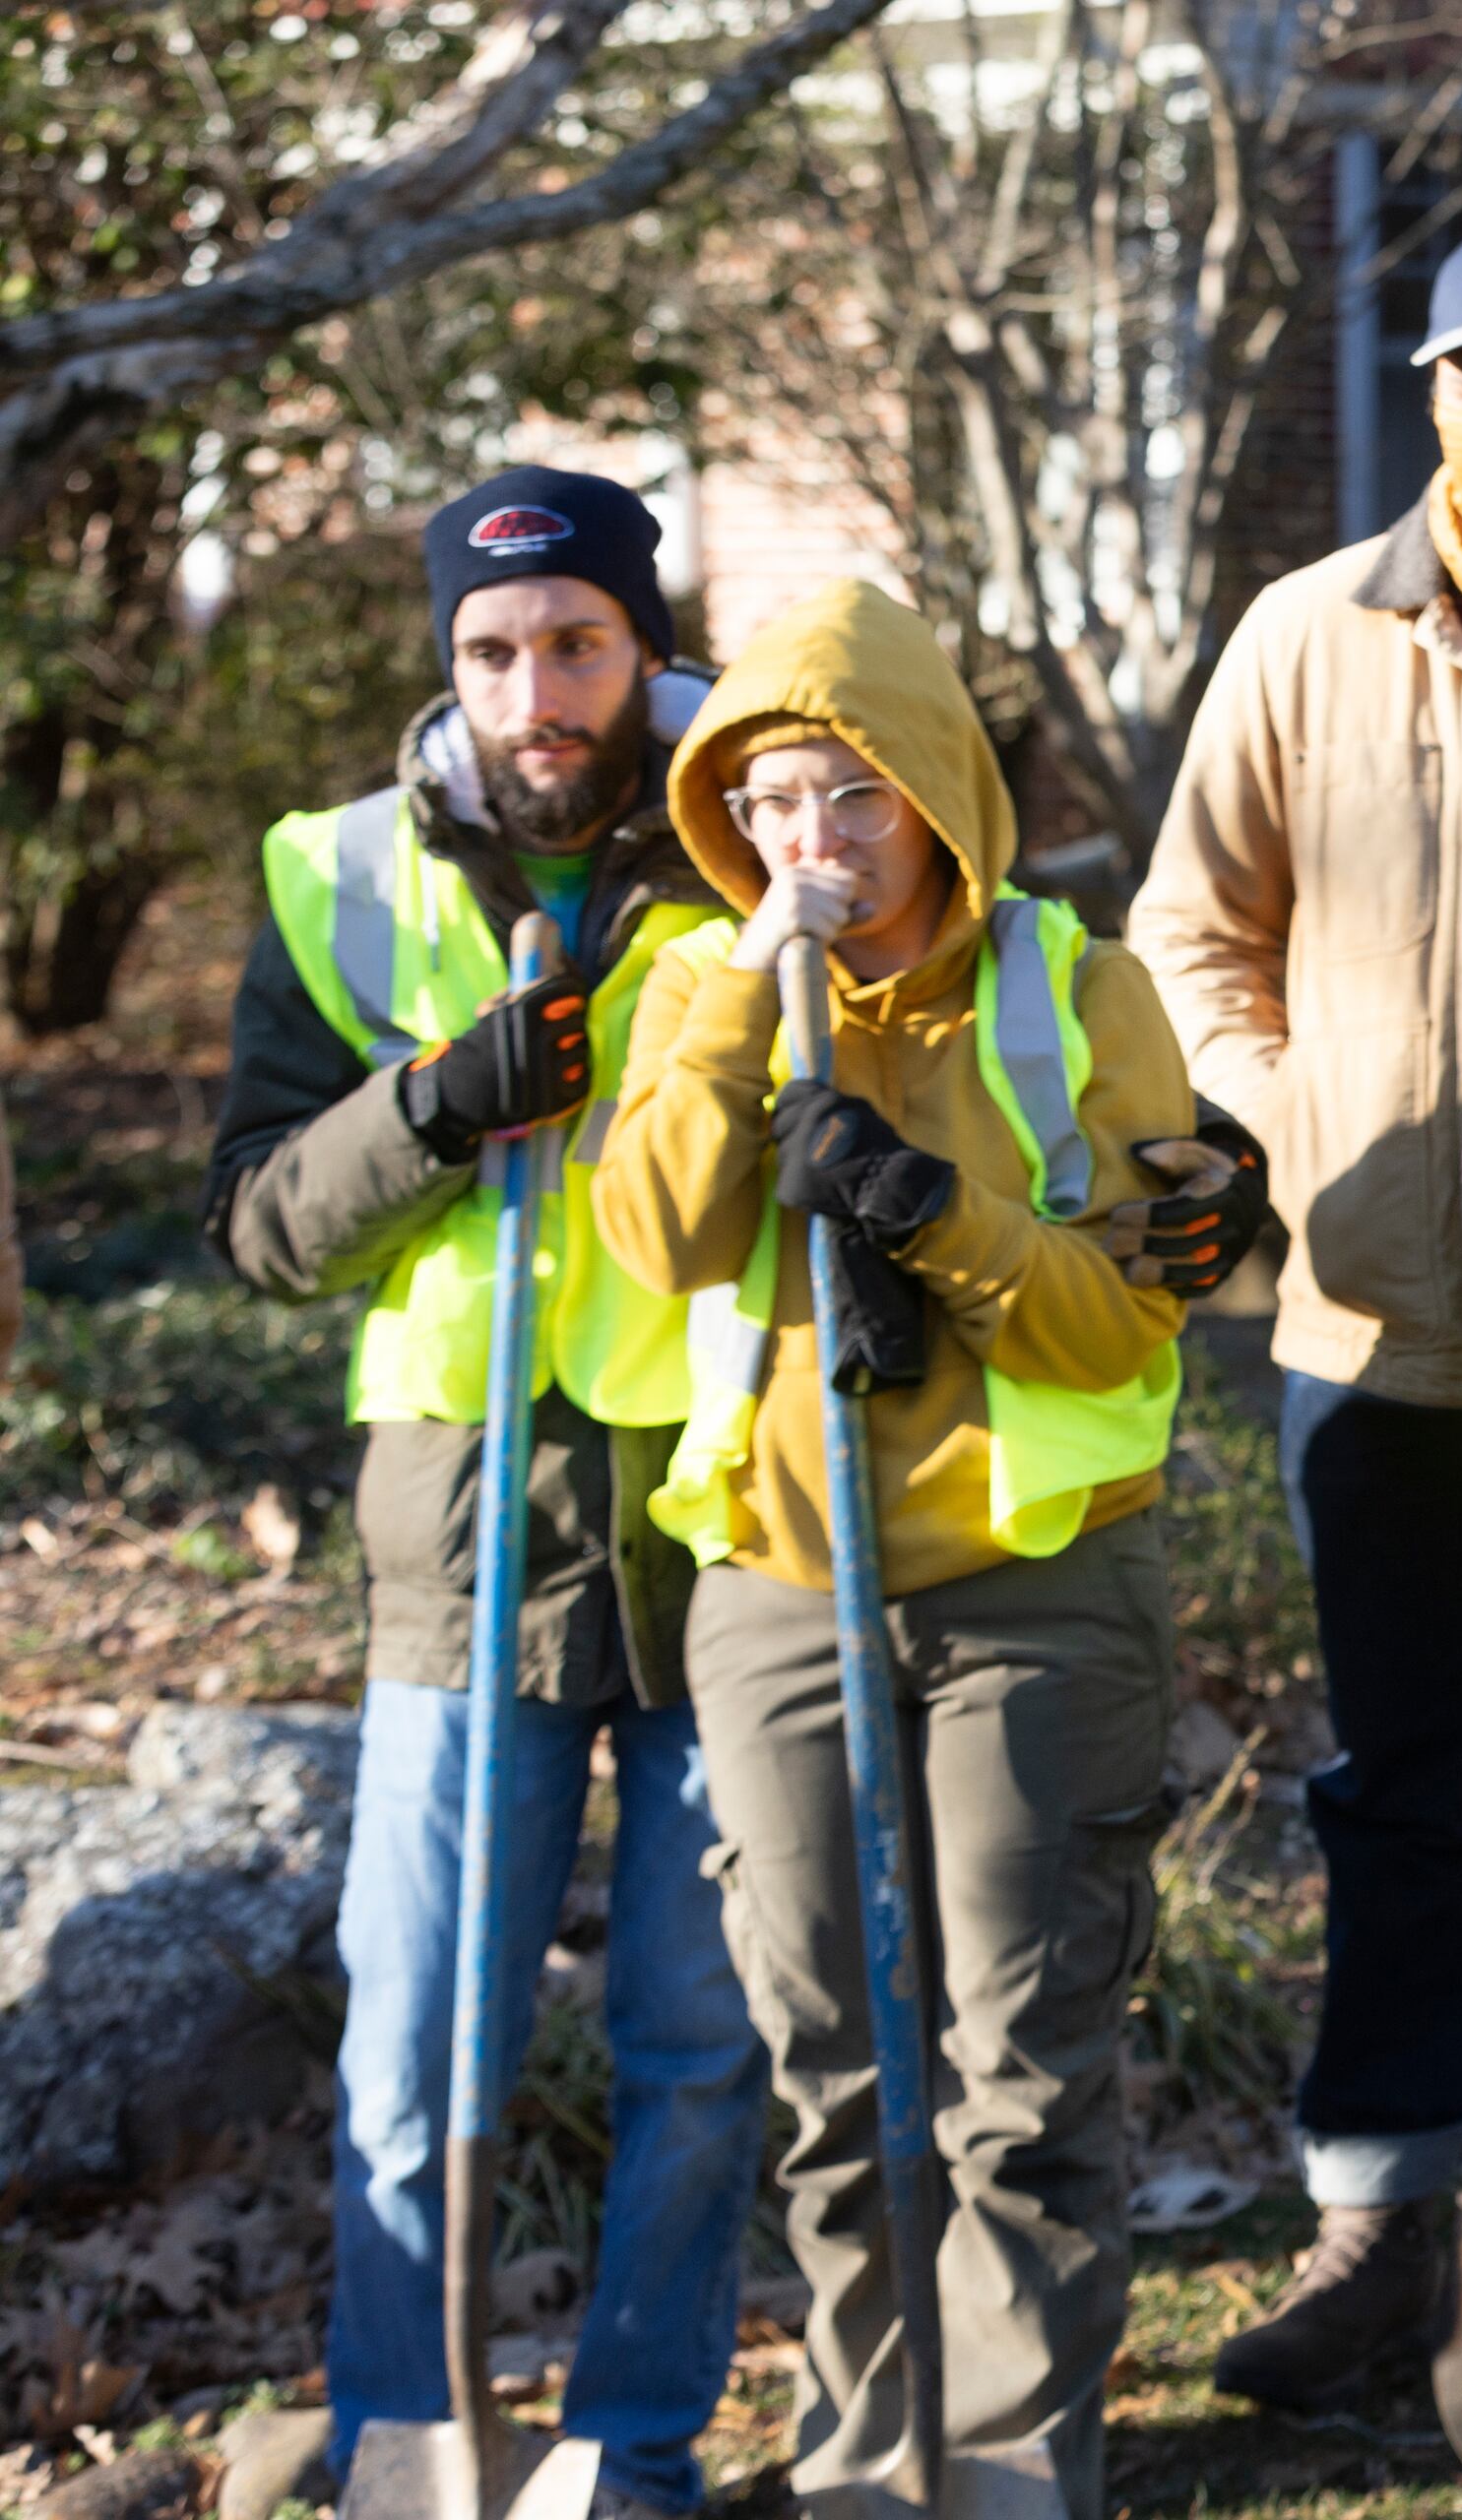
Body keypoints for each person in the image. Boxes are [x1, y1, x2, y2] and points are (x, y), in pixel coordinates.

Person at [591, 579, 1191, 2520]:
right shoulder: (701, 981)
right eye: (768, 803)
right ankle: (870, 2454)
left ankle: (1010, 2461)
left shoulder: (1073, 985)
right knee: (835, 2074)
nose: (814, 845)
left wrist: (938, 1213)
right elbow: (658, 1237)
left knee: (1018, 2071)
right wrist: (748, 1016)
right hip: (782, 1590)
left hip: (1034, 1587)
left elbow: (1129, 1316)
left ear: (934, 793)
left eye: (851, 799)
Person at [201, 465, 765, 2519]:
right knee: (421, 2049)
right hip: (463, 1539)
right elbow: (263, 1220)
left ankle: (634, 2449)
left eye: (580, 643)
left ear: (643, 637)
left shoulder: (762, 819)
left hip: (723, 1517)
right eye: (497, 649)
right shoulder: (341, 871)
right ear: (451, 657)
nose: (541, 687)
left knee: (702, 2047)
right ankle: (402, 2443)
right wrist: (436, 1105)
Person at [1126, 219, 1462, 2418]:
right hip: (1362, 1326)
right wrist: (1279, 1111)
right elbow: (1187, 924)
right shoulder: (1303, 631)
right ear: (1429, 393)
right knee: (1400, 1791)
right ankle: (1378, 2222)